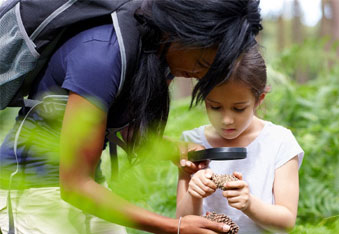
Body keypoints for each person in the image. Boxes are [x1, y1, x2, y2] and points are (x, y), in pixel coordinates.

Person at [0, 0, 263, 233]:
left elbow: (118, 127)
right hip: (31, 192)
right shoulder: (100, 56)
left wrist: (173, 149)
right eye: (202, 64)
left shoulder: (154, 54)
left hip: (88, 185)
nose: (200, 75)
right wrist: (176, 227)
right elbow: (75, 185)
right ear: (181, 32)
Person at [176, 45, 304, 233]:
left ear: (259, 100)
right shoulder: (192, 142)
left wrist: (249, 203)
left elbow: (286, 221)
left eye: (238, 108)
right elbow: (180, 223)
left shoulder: (280, 142)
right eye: (215, 107)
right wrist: (194, 194)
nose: (227, 120)